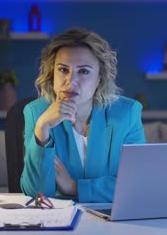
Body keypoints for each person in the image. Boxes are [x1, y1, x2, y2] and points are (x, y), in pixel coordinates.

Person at [20, 28, 146, 203]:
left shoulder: (127, 113)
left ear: (100, 78)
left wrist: (74, 187)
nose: (70, 81)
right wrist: (42, 128)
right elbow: (36, 193)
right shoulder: (36, 113)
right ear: (52, 74)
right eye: (63, 70)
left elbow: (137, 185)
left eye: (84, 71)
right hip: (58, 223)